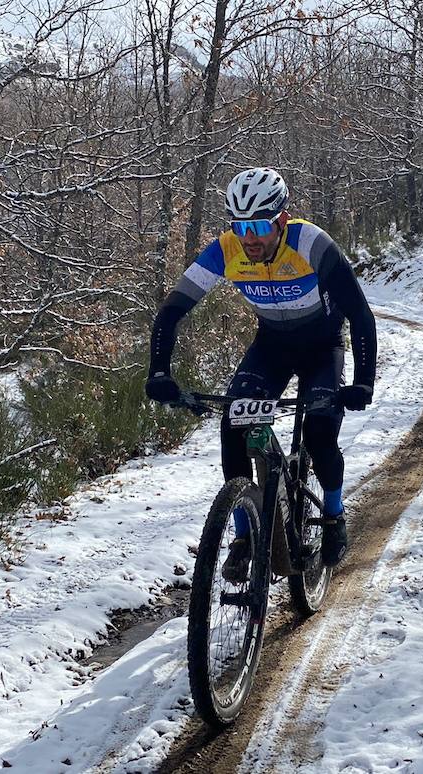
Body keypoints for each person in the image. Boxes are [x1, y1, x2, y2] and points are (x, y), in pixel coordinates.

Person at [144, 167, 377, 580]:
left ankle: (335, 515)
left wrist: (362, 382)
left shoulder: (310, 243)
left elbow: (359, 313)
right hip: (271, 346)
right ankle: (243, 535)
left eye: (259, 226)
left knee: (320, 434)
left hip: (323, 347)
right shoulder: (226, 249)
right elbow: (172, 311)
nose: (249, 237)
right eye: (240, 225)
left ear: (281, 220)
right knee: (234, 425)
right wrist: (159, 372)